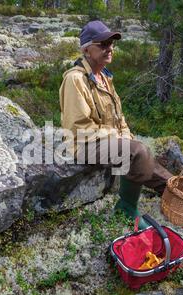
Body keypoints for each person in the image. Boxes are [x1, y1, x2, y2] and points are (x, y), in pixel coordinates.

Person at [59, 20, 172, 229]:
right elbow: (78, 128)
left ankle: (182, 192)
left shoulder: (104, 77)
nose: (109, 48)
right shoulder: (75, 79)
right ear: (86, 49)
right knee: (138, 153)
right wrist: (119, 138)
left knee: (149, 163)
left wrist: (126, 137)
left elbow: (120, 119)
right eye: (102, 44)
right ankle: (126, 208)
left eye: (111, 43)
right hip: (83, 145)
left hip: (105, 140)